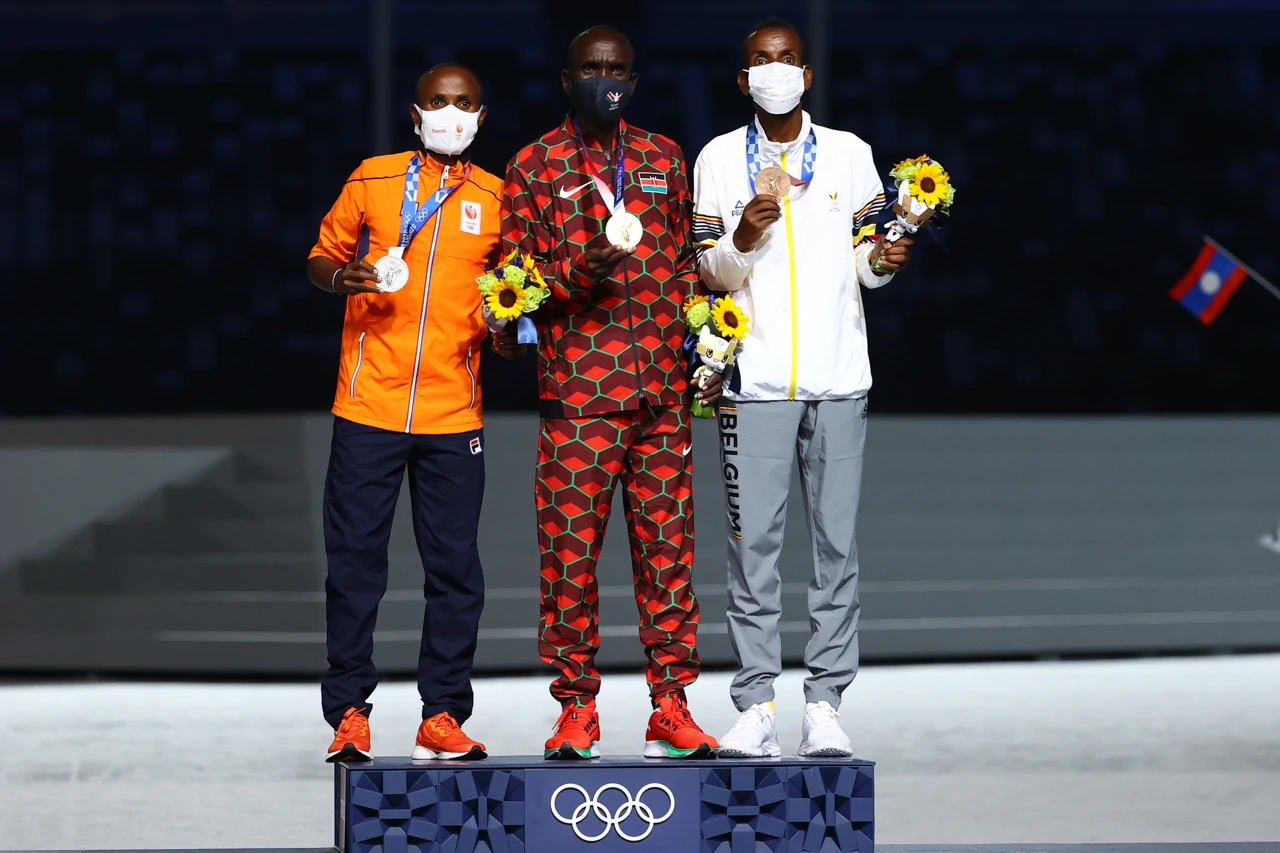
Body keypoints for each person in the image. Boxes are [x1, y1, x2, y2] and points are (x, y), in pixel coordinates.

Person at [691, 18, 913, 758]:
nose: (775, 69)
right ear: (743, 79)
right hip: (753, 381)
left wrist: (885, 259)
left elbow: (867, 269)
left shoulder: (849, 154)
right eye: (762, 60)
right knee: (751, 550)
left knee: (834, 549)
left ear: (807, 75)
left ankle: (825, 704)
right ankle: (756, 704)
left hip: (839, 379)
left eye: (787, 58)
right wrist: (743, 236)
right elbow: (709, 271)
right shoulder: (719, 158)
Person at [501, 25, 724, 760]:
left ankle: (670, 705)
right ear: (569, 80)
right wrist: (580, 268)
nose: (609, 80)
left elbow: (687, 263)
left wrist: (703, 338)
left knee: (669, 557)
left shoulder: (663, 157)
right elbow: (515, 283)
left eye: (619, 69)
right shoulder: (533, 165)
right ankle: (575, 709)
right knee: (569, 561)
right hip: (578, 398)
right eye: (594, 69)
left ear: (634, 77)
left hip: (662, 396)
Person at [306, 62, 522, 763]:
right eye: (438, 101)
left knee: (455, 572)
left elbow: (512, 297)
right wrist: (340, 278)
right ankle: (348, 712)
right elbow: (320, 256)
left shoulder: (496, 196)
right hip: (368, 404)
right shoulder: (372, 177)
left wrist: (506, 328)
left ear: (480, 118)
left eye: (464, 104)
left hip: (452, 413)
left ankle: (443, 715)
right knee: (355, 567)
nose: (450, 114)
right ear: (416, 112)